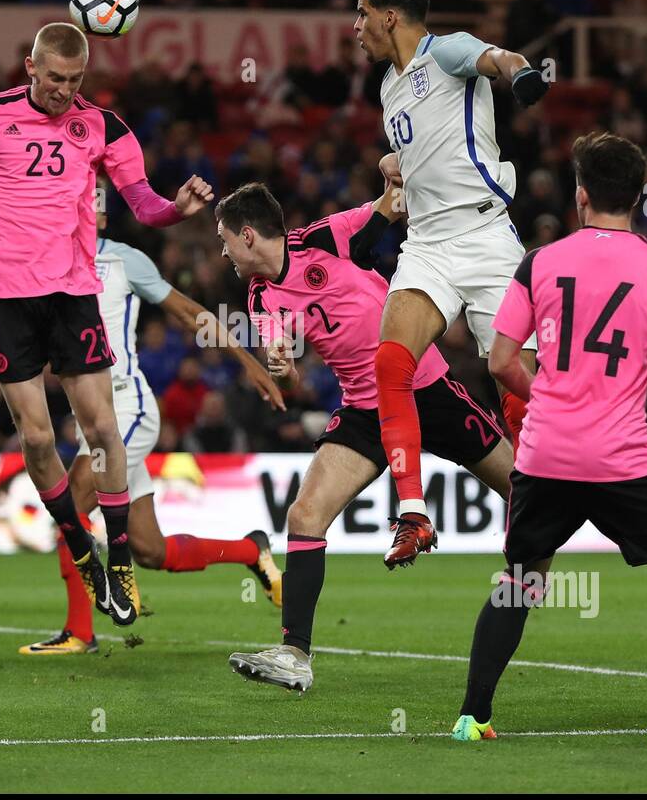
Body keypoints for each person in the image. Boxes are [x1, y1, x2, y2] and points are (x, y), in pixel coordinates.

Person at [0, 22, 212, 627]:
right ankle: (84, 553)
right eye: (53, 79)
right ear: (30, 66)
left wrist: (177, 209)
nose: (62, 91)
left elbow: (145, 205)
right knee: (39, 440)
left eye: (74, 81)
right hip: (5, 297)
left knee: (103, 429)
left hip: (74, 293)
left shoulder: (103, 126)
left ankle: (119, 562)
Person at [454, 131, 647, 745]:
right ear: (638, 197)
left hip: (543, 454)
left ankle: (473, 717)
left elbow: (502, 360)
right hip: (619, 459)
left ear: (581, 196)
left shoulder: (540, 261)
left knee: (520, 580)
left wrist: (549, 403)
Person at [219, 180, 514, 692]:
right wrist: (283, 365)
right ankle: (295, 653)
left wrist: (396, 173)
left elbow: (388, 206)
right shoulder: (261, 296)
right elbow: (289, 377)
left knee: (525, 485)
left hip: (425, 386)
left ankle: (625, 524)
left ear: (247, 236)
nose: (223, 252)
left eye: (224, 239)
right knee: (304, 515)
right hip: (364, 409)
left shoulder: (322, 239)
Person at [7, 206, 287, 655]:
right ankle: (252, 551)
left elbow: (188, 311)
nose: (85, 207)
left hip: (126, 406)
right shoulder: (45, 264)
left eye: (95, 200)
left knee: (73, 501)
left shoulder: (123, 260)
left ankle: (80, 630)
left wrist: (245, 360)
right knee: (150, 549)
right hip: (88, 413)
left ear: (101, 216)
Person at [352, 0, 549, 569]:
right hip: (429, 244)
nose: (356, 27)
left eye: (362, 14)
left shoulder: (449, 51)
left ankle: (544, 515)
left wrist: (524, 77)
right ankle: (412, 511)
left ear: (389, 14)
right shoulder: (389, 87)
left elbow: (501, 59)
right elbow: (425, 146)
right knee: (391, 360)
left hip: (487, 236)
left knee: (519, 385)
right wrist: (396, 165)